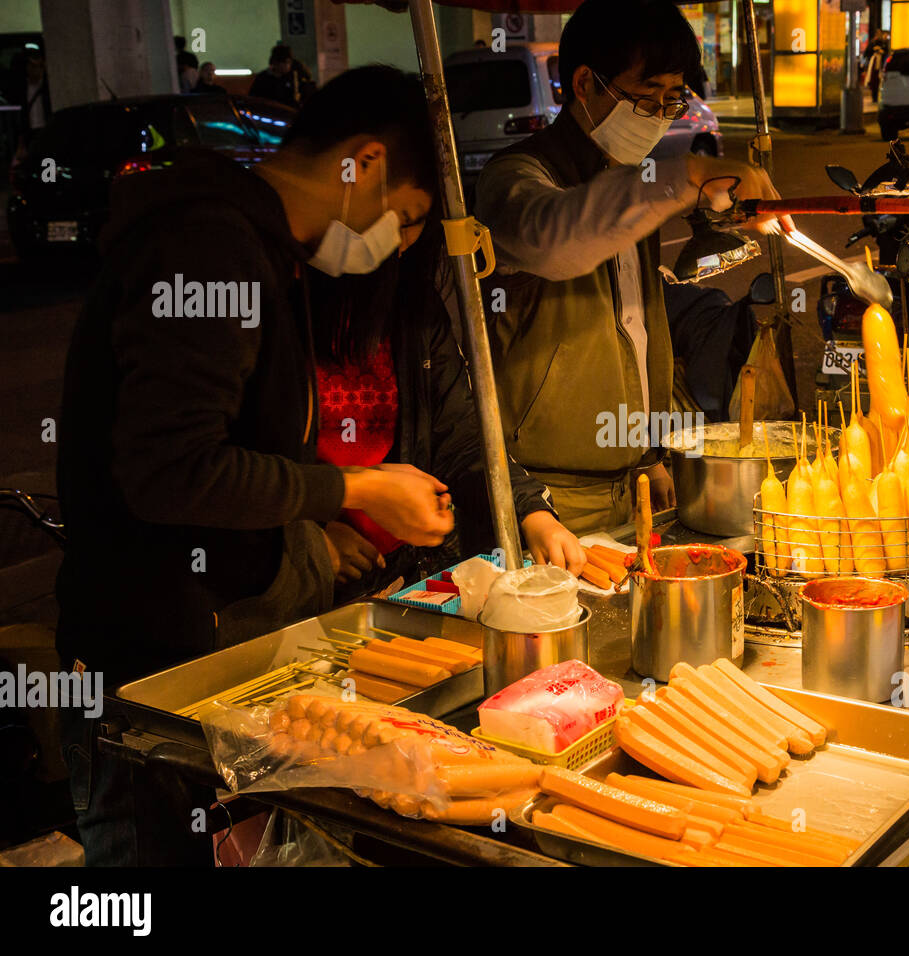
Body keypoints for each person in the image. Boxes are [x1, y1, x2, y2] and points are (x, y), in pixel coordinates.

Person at [56, 66, 454, 864]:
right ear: (363, 164)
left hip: (207, 634)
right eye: (407, 219)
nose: (399, 246)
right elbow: (172, 469)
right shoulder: (209, 248)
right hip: (148, 654)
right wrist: (353, 488)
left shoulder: (264, 250)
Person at [474, 0, 782, 534]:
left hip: (632, 477)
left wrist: (648, 454)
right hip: (545, 496)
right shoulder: (517, 177)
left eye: (673, 100)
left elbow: (637, 328)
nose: (661, 116)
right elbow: (558, 240)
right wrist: (684, 175)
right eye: (645, 98)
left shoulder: (634, 182)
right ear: (586, 84)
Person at [306, 224, 587, 596]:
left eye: (413, 224)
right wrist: (310, 534)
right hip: (303, 587)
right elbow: (233, 471)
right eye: (398, 218)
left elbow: (462, 438)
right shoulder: (286, 313)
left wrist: (531, 513)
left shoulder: (414, 310)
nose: (402, 241)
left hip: (405, 574)